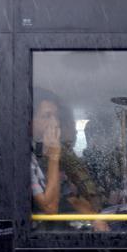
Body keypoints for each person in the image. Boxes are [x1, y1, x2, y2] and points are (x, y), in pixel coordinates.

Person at [30, 90, 107, 231]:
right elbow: (49, 208)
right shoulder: (25, 157)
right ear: (30, 121)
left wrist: (94, 218)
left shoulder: (41, 152)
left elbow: (70, 197)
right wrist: (54, 155)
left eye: (56, 117)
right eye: (47, 116)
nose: (54, 123)